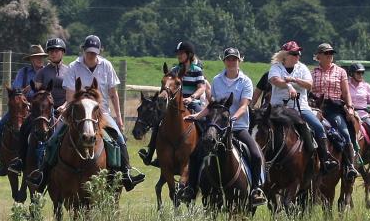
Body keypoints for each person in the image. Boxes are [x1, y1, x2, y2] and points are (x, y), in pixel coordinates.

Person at [28, 35, 146, 191]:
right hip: (76, 112)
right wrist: (67, 107)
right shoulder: (73, 67)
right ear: (83, 50)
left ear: (99, 52)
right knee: (53, 139)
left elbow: (113, 93)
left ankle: (126, 174)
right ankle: (43, 176)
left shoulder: (106, 66)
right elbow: (70, 94)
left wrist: (119, 117)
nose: (91, 55)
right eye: (89, 52)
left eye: (94, 52)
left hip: (102, 112)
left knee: (119, 138)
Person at [185, 47, 266, 205]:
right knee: (196, 155)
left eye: (234, 59)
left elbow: (244, 106)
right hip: (217, 128)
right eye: (228, 59)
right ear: (224, 61)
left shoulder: (246, 81)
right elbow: (211, 106)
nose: (231, 62)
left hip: (238, 127)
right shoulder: (216, 80)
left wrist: (232, 119)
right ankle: (190, 189)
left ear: (239, 61)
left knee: (256, 155)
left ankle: (256, 190)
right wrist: (197, 116)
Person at [267, 41, 337, 174]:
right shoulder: (276, 67)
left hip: (300, 108)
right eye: (294, 53)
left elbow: (309, 85)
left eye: (298, 53)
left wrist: (293, 80)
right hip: (278, 108)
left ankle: (325, 159)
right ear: (284, 55)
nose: (297, 56)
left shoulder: (302, 68)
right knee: (260, 127)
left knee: (318, 127)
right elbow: (275, 80)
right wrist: (288, 85)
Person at [4, 37, 68, 175]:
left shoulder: (69, 71)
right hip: (44, 111)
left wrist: (64, 106)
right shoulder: (42, 72)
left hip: (63, 110)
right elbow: (35, 90)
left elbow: (71, 93)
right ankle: (21, 160)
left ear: (62, 52)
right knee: (25, 129)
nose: (53, 53)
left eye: (56, 51)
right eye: (51, 51)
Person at [138, 41, 207, 167]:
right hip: (174, 105)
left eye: (182, 53)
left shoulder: (197, 70)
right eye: (178, 53)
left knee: (204, 121)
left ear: (189, 54)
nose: (179, 55)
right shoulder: (174, 70)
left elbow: (201, 88)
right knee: (158, 122)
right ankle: (151, 154)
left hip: (192, 103)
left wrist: (191, 98)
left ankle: (205, 154)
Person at [0, 44, 46, 175]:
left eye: (41, 57)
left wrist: (34, 88)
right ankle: (2, 158)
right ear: (31, 59)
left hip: (38, 108)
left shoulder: (46, 72)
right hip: (21, 107)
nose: (39, 60)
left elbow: (47, 90)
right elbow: (16, 89)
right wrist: (23, 91)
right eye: (36, 57)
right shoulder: (24, 72)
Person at [310, 43, 359, 180]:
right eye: (326, 53)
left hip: (334, 108)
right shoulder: (312, 73)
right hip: (316, 108)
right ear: (319, 56)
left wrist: (349, 107)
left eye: (331, 53)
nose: (330, 55)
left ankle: (350, 166)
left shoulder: (340, 72)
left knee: (344, 132)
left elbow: (346, 92)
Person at [348, 62, 370, 164]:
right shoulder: (346, 84)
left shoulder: (366, 86)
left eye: (362, 73)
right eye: (358, 73)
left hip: (363, 114)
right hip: (350, 113)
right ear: (352, 74)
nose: (360, 75)